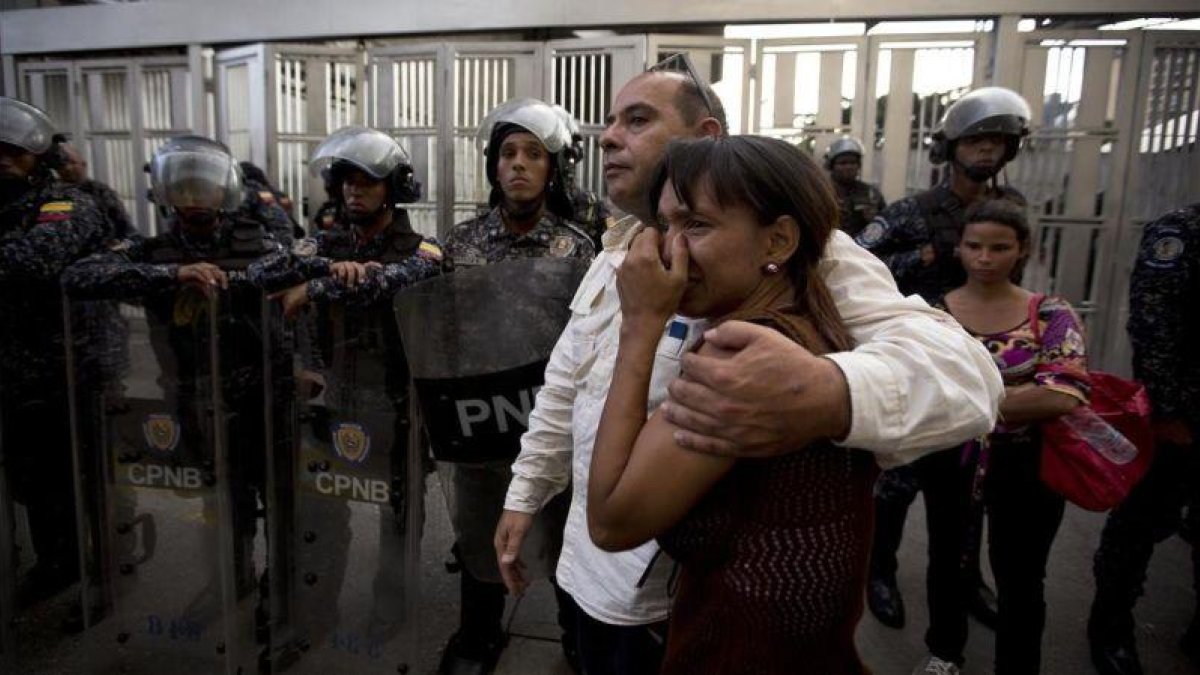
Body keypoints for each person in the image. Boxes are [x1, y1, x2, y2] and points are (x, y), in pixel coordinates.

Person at [495, 63, 1003, 675]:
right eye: (608, 121)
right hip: (583, 576)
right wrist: (525, 495)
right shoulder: (621, 250)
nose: (607, 137)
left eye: (637, 119)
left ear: (706, 138)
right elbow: (568, 386)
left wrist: (827, 392)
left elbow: (969, 374)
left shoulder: (803, 257)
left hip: (670, 610)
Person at [587, 134, 876, 674]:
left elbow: (611, 521)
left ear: (777, 243)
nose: (671, 249)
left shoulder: (741, 359)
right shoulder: (806, 324)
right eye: (667, 225)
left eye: (696, 225)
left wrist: (640, 324)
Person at [62, 137, 285, 658]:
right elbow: (79, 275)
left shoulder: (257, 240)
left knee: (274, 498)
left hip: (258, 397)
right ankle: (232, 576)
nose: (194, 200)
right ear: (166, 194)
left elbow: (293, 274)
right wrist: (172, 275)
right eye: (183, 189)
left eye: (204, 188)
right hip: (190, 398)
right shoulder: (155, 250)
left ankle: (279, 592)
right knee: (218, 498)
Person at [855, 86, 1032, 633]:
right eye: (975, 139)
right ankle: (878, 572)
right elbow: (856, 259)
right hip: (916, 359)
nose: (985, 150)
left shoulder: (1013, 208)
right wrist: (920, 256)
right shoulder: (913, 211)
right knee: (899, 482)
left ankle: (967, 578)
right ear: (950, 145)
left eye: (997, 141)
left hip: (984, 360)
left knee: (970, 486)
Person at [438, 98, 594, 675]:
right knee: (482, 529)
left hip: (547, 413)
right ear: (493, 166)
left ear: (553, 169)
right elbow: (444, 329)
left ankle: (572, 635)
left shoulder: (576, 246)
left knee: (559, 529)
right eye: (508, 153)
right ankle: (477, 637)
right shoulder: (461, 243)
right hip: (480, 414)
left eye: (533, 154)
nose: (519, 165)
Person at [922, 199, 1088, 675]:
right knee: (946, 562)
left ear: (1023, 250)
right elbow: (918, 387)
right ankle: (944, 654)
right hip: (949, 461)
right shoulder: (935, 316)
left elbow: (1065, 392)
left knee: (1021, 577)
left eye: (1000, 247)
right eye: (974, 246)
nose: (985, 257)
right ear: (960, 249)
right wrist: (1020, 395)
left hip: (1029, 467)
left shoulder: (1051, 311)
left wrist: (965, 401)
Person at [0, 97, 123, 608]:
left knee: (84, 480)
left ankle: (105, 576)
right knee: (31, 481)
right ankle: (57, 563)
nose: (3, 159)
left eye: (15, 151)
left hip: (71, 373)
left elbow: (32, 260)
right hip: (14, 375)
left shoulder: (65, 204)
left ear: (41, 157)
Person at [1089, 202, 1200, 675]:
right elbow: (1153, 325)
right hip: (1183, 416)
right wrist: (1168, 411)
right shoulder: (1181, 229)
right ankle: (1111, 626)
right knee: (1139, 523)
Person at [824, 136, 885, 238]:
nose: (849, 167)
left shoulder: (871, 194)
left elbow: (886, 227)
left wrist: (874, 220)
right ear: (831, 166)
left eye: (853, 163)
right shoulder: (821, 192)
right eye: (843, 163)